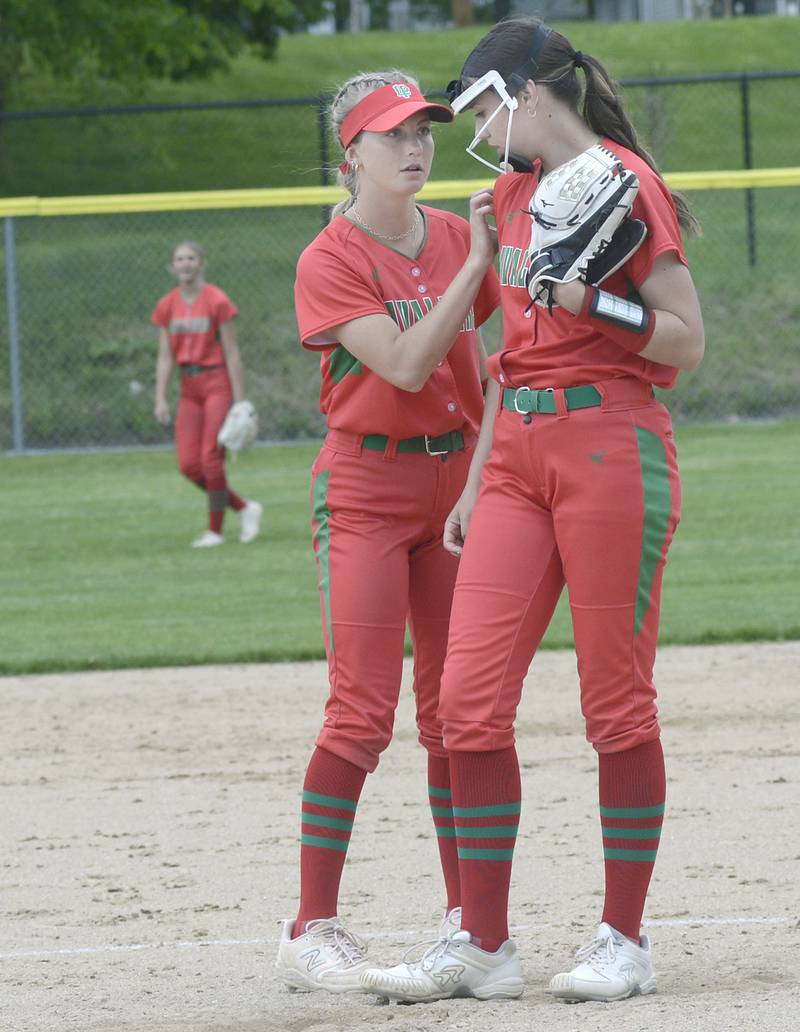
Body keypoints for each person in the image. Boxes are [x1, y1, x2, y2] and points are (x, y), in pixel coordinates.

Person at [359, 18, 705, 1005]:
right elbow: (510, 355)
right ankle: (481, 944)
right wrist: (475, 480)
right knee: (462, 706)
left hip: (610, 447)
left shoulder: (624, 185)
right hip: (514, 455)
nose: (472, 127)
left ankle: (623, 940)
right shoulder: (510, 194)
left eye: (479, 105)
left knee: (612, 704)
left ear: (530, 93)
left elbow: (682, 343)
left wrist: (598, 304)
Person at [274, 71, 501, 994]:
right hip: (365, 487)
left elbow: (486, 363)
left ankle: (463, 921)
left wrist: (483, 482)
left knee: (453, 715)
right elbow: (409, 363)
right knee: (361, 712)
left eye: (425, 132)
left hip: (454, 484)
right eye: (393, 133)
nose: (415, 148)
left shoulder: (453, 233)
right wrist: (481, 265)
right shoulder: (329, 257)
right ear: (351, 154)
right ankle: (310, 928)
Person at [152, 241, 262, 548]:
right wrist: (160, 397)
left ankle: (215, 531)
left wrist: (240, 401)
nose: (185, 264)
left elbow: (232, 352)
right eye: (179, 259)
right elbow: (164, 357)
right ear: (171, 267)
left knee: (211, 461)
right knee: (189, 465)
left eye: (191, 258)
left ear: (201, 264)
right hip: (189, 387)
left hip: (216, 382)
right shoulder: (167, 305)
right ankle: (244, 507)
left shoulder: (217, 300)